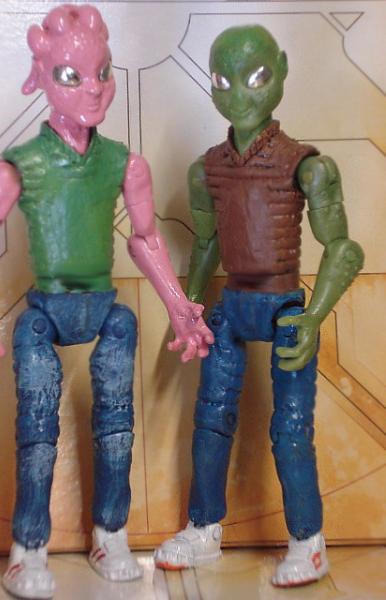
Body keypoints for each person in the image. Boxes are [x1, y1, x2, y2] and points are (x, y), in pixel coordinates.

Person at [0, 5, 213, 598]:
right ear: (40, 78)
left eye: (102, 72)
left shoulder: (123, 164)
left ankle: (110, 532)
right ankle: (28, 548)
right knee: (38, 438)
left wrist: (178, 306)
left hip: (106, 311)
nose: (93, 89)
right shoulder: (19, 167)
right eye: (72, 76)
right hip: (44, 315)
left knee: (117, 430)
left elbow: (145, 240)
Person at [154, 24, 364, 588]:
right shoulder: (208, 170)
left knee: (290, 430)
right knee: (210, 419)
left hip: (286, 307)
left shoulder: (306, 166)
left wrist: (314, 316)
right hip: (232, 305)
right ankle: (203, 528)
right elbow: (207, 244)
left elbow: (344, 249)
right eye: (223, 82)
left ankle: (308, 542)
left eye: (256, 77)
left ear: (281, 72)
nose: (239, 95)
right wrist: (189, 306)